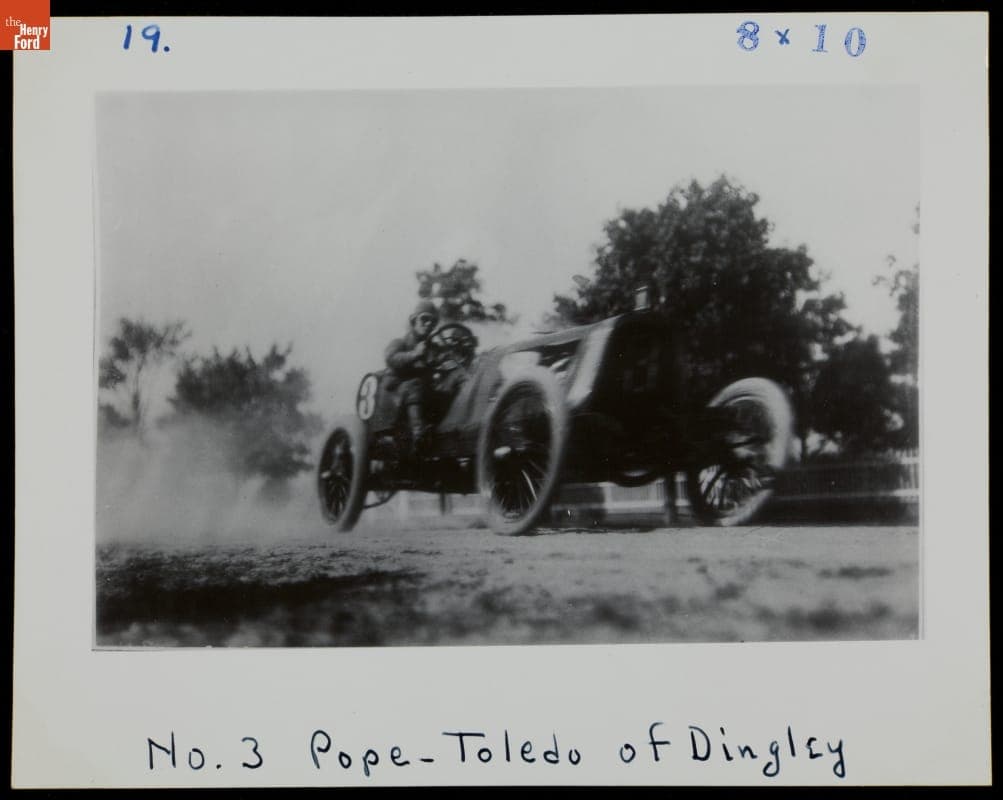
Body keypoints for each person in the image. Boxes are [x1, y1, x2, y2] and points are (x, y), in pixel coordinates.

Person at [384, 300, 440, 455]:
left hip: (421, 395)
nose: (428, 324)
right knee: (414, 384)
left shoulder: (434, 348)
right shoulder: (400, 342)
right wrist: (415, 354)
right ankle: (418, 434)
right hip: (396, 393)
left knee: (447, 389)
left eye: (432, 321)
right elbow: (391, 358)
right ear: (414, 320)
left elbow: (445, 362)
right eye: (424, 319)